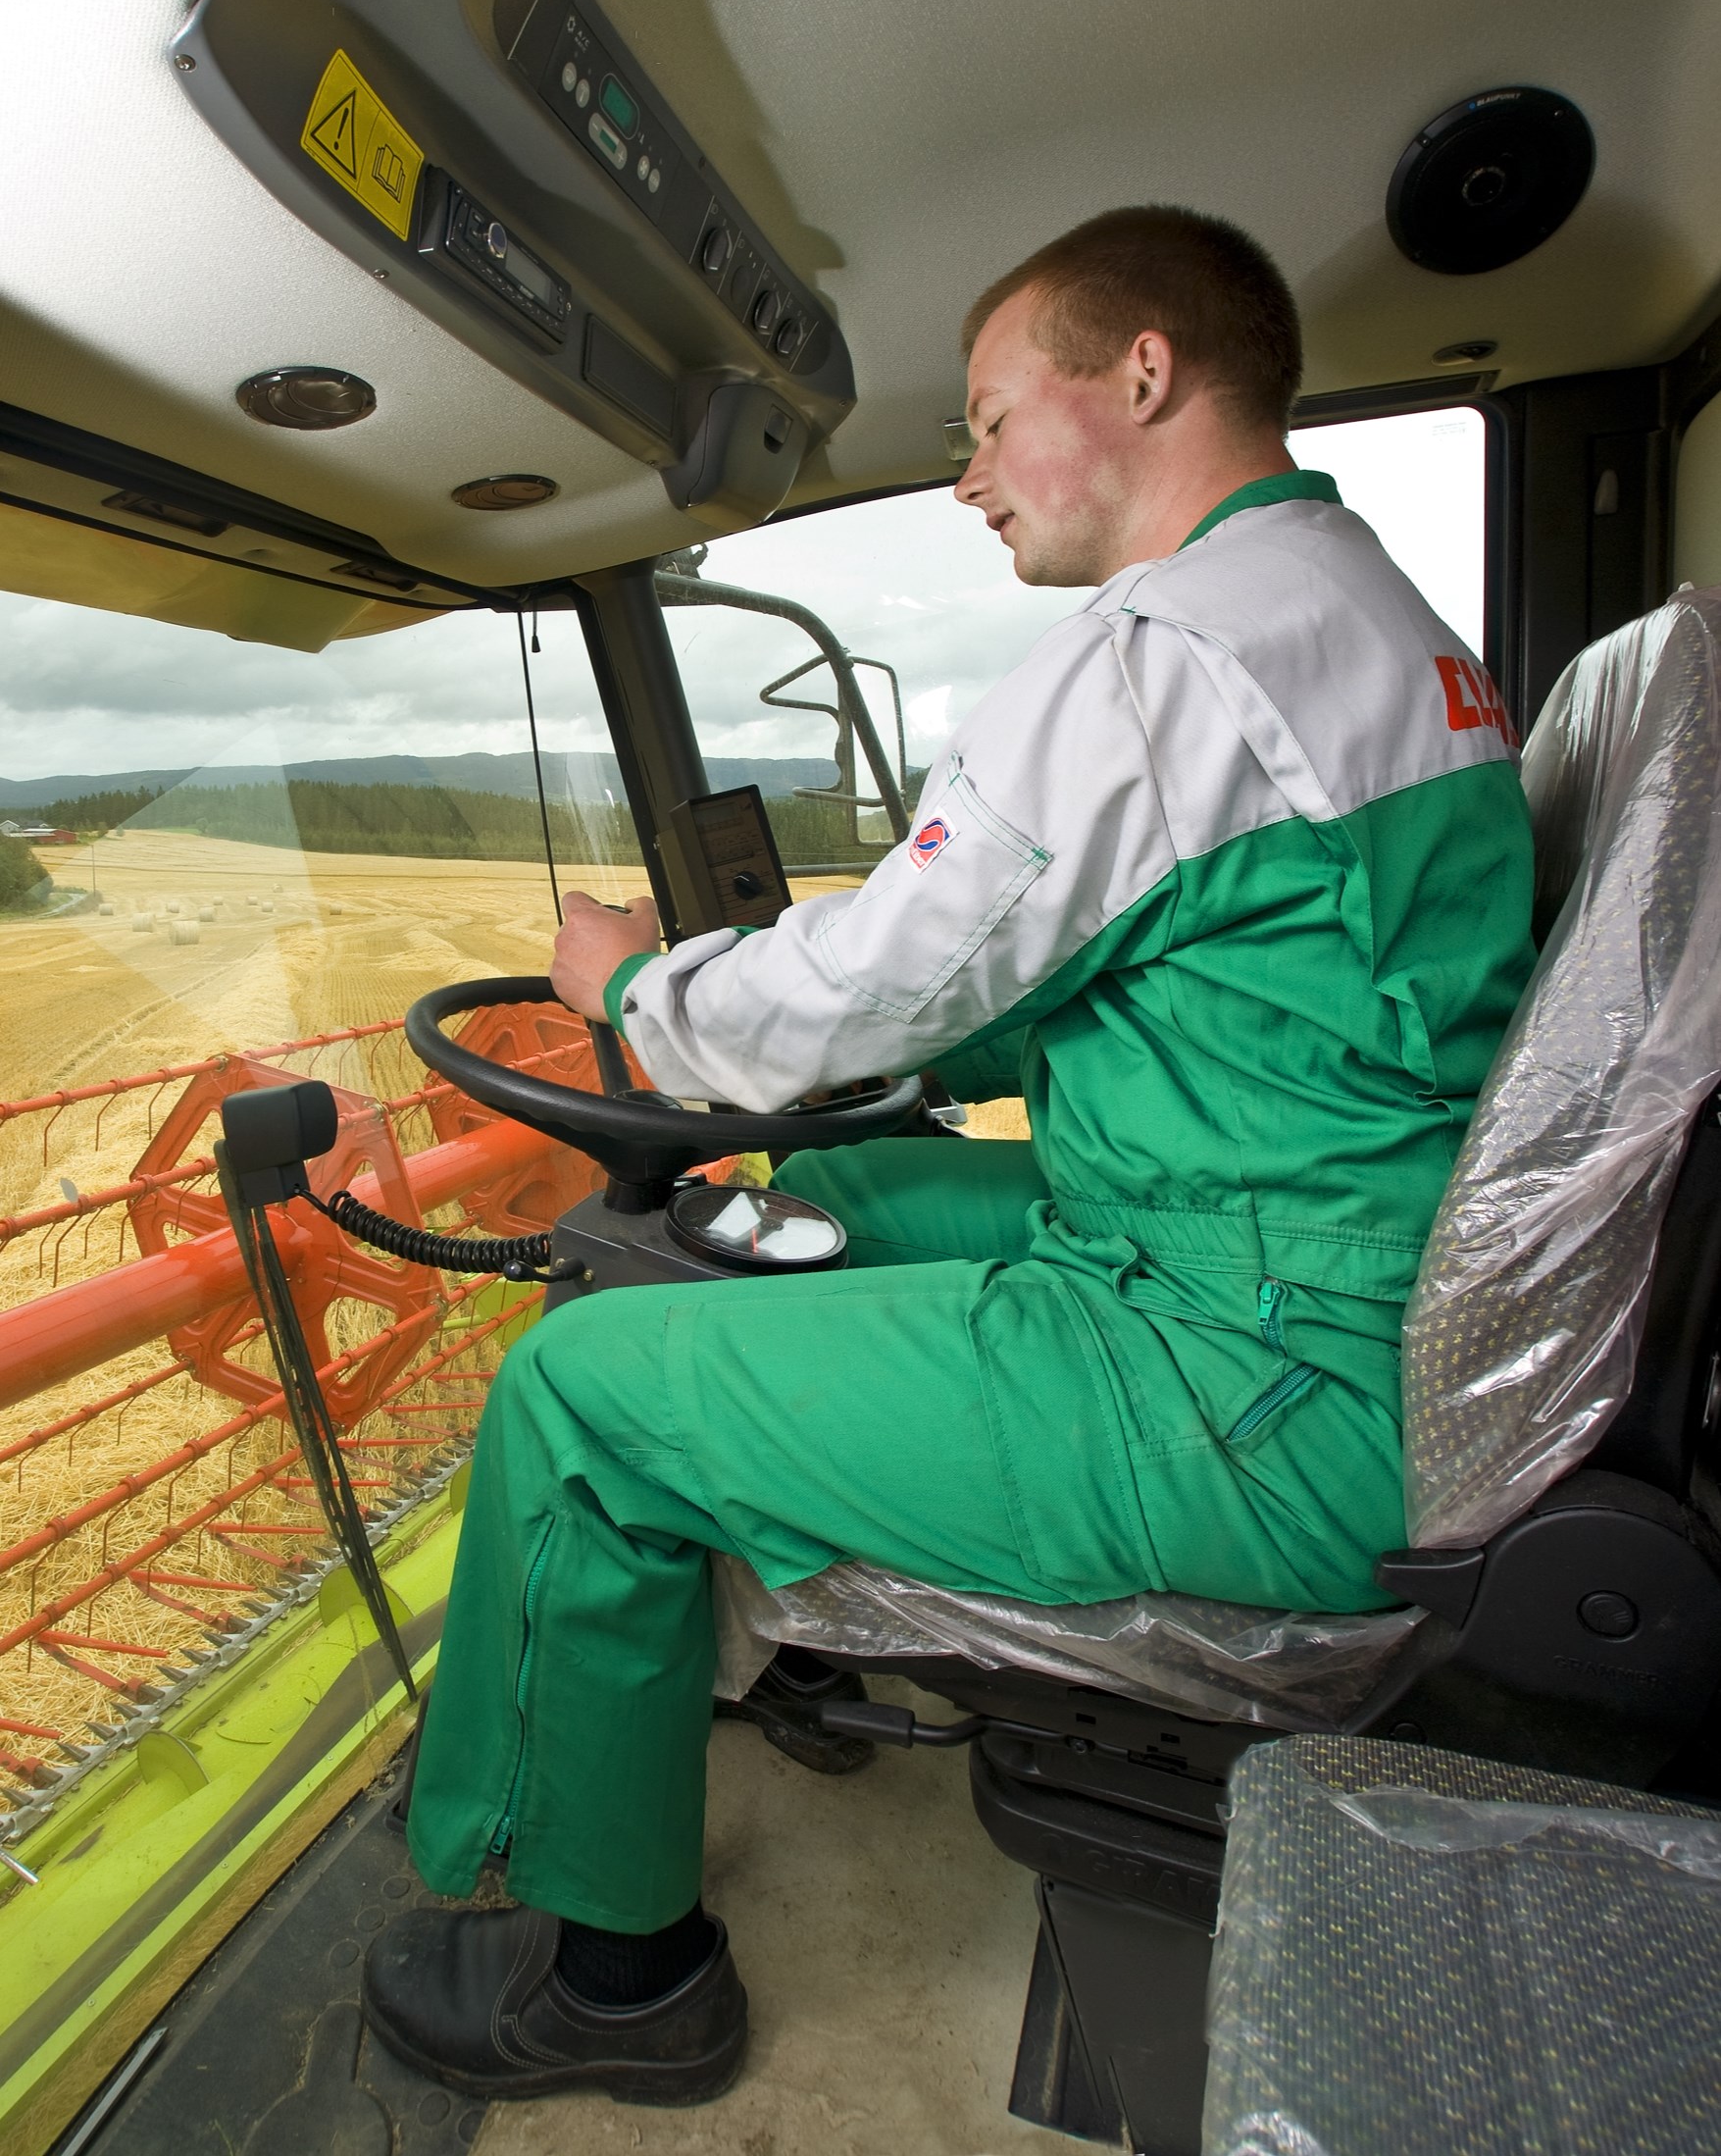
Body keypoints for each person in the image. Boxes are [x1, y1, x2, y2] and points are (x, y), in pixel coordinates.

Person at [361, 206, 1534, 2104]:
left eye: (993, 418)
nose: (970, 476)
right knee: (809, 1202)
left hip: (1265, 1374)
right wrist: (840, 1057)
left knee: (581, 1393)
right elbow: (1098, 973)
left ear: (1142, 373)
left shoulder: (1172, 652)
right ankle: (773, 1638)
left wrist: (643, 989)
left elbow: (873, 982)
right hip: (1305, 1268)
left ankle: (622, 1974)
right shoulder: (1363, 614)